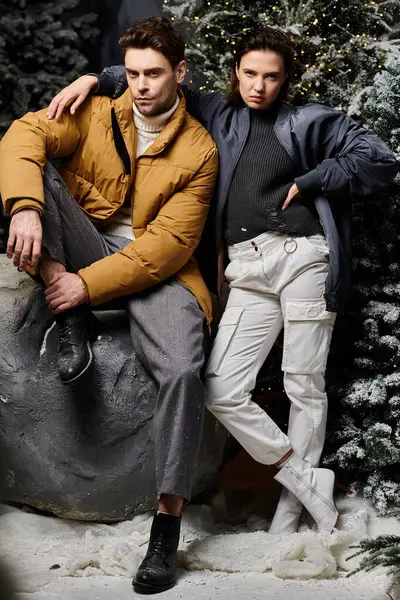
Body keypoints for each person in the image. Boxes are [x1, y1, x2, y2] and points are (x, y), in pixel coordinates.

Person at [47, 25, 398, 538]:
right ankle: (306, 481)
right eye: (250, 73)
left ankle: (290, 516)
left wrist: (311, 179)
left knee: (304, 385)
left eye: (272, 77)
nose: (259, 86)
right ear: (235, 72)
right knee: (222, 390)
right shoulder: (216, 112)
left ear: (286, 80)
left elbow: (380, 158)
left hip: (302, 256)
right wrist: (94, 78)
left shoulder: (308, 121)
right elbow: (155, 75)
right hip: (246, 268)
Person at [0, 16, 219, 595]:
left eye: (156, 74)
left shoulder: (199, 150)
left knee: (181, 370)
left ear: (180, 73)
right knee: (36, 168)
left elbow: (166, 249)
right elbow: (24, 134)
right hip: (85, 241)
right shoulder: (98, 110)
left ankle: (166, 525)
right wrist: (23, 207)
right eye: (135, 73)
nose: (143, 85)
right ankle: (60, 295)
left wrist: (86, 287)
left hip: (158, 271)